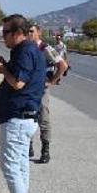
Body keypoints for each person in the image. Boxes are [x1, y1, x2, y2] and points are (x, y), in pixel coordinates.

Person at [0, 14, 46, 193]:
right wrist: (5, 67)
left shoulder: (25, 51)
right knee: (20, 167)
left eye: (5, 33)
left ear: (17, 33)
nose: (2, 37)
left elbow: (18, 83)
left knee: (11, 166)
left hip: (18, 116)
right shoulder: (29, 50)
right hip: (24, 116)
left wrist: (3, 70)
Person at [27, 24, 68, 163]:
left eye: (32, 31)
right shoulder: (26, 48)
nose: (29, 34)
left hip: (41, 88)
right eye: (27, 31)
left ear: (39, 32)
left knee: (43, 117)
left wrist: (51, 81)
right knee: (27, 116)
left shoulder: (44, 48)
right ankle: (29, 146)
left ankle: (45, 150)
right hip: (27, 88)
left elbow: (62, 65)